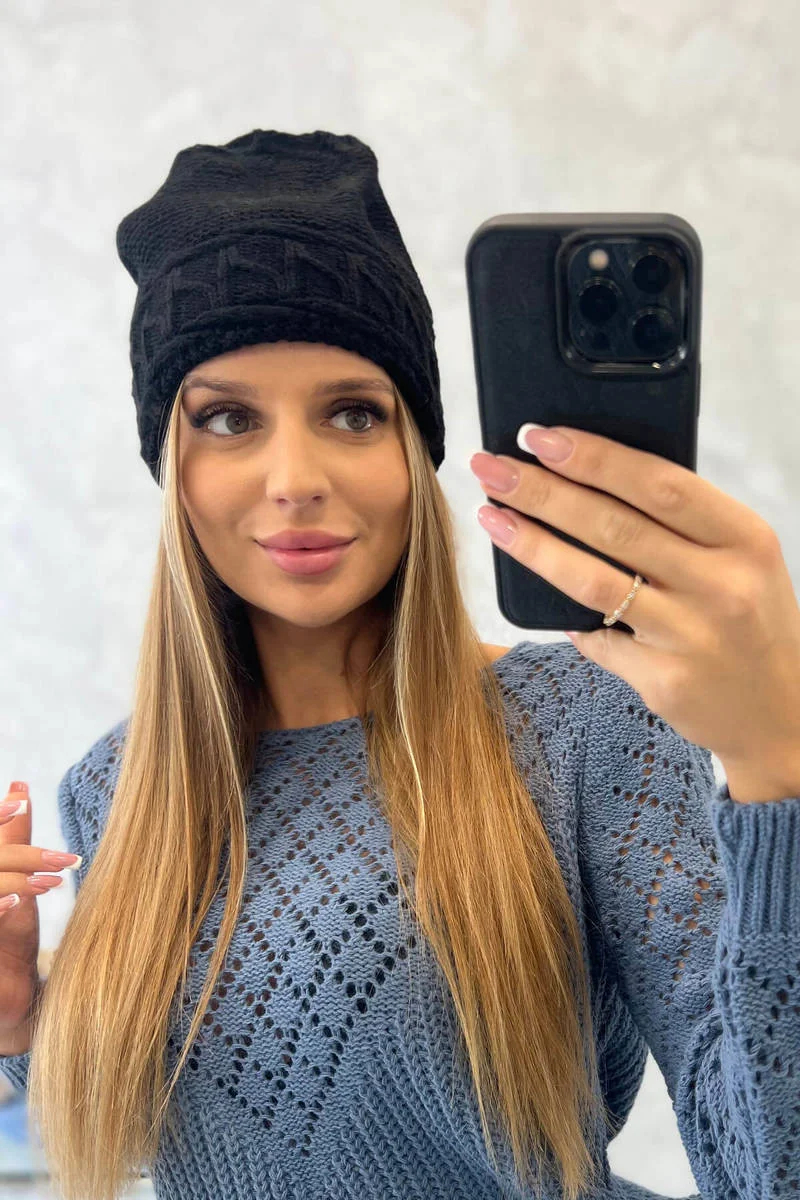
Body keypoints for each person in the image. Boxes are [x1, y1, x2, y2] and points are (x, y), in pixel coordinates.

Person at [1, 130, 797, 1200]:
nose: (294, 477)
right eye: (229, 418)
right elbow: (165, 1130)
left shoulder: (583, 724)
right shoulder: (117, 787)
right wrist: (20, 1027)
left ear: (413, 452)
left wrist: (774, 765)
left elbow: (764, 1164)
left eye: (352, 413)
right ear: (170, 466)